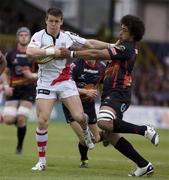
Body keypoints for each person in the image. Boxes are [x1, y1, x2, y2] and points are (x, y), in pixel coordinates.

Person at [58, 15, 159, 177]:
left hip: (118, 92)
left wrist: (70, 54)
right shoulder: (126, 47)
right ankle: (144, 165)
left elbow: (95, 54)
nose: (120, 33)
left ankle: (144, 130)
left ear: (132, 34)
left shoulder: (125, 48)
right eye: (121, 29)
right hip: (112, 92)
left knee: (103, 123)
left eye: (124, 30)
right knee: (111, 136)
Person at [62, 59, 106, 168]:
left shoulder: (102, 67)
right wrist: (85, 91)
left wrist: (103, 98)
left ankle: (106, 136)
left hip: (88, 104)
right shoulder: (75, 65)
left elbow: (101, 84)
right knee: (84, 138)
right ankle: (84, 159)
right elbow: (65, 85)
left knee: (95, 138)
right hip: (71, 103)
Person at [2, 27, 37, 154]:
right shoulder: (10, 54)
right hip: (14, 89)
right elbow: (5, 73)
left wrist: (32, 76)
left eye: (26, 35)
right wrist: (6, 86)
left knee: (21, 117)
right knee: (8, 120)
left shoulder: (34, 54)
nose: (23, 37)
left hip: (29, 89)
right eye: (21, 35)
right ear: (18, 37)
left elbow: (41, 73)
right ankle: (20, 125)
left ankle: (19, 147)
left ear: (29, 37)